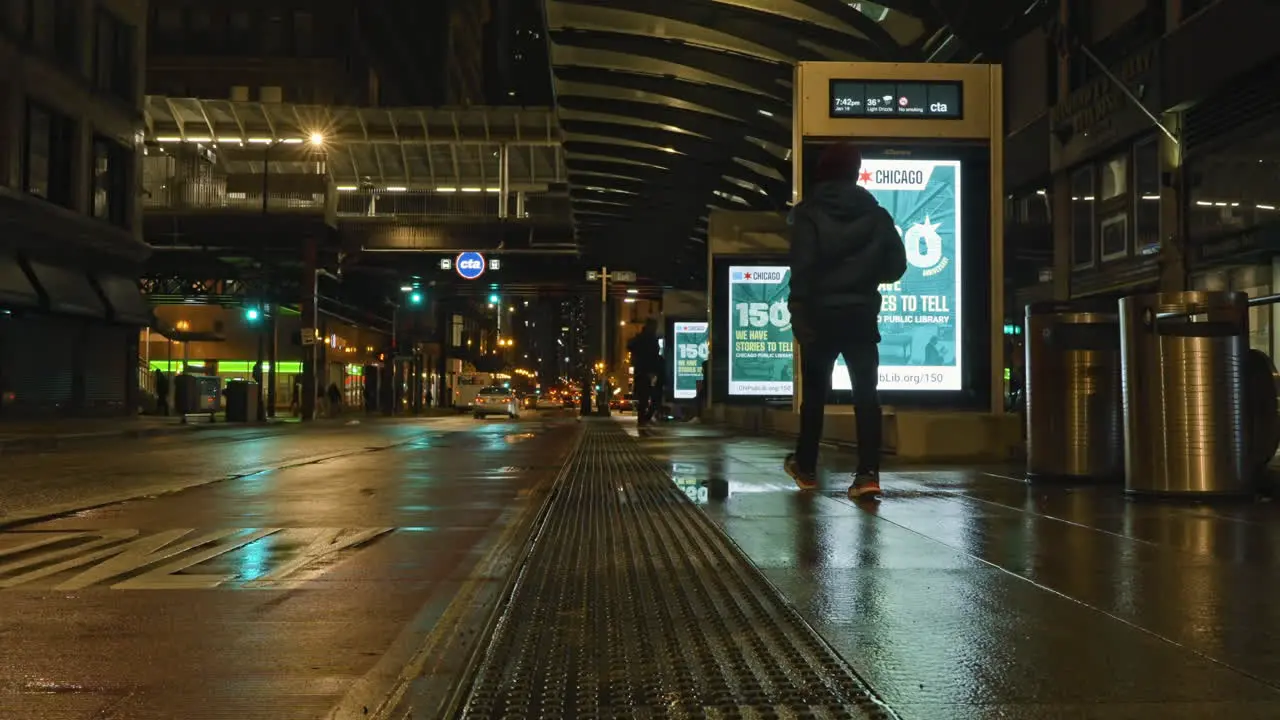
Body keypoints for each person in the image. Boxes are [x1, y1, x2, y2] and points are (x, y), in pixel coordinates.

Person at [784, 142, 906, 501]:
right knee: (866, 396)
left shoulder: (808, 214)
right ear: (855, 173)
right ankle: (867, 474)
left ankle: (806, 466)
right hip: (861, 315)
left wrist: (799, 312)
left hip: (820, 316)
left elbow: (802, 268)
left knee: (815, 395)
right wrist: (865, 277)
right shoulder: (877, 215)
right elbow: (896, 266)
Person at [627, 318, 662, 425]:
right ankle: (644, 418)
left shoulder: (644, 338)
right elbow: (654, 355)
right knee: (650, 397)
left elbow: (630, 346)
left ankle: (643, 418)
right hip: (647, 371)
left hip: (645, 371)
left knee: (646, 398)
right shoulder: (648, 339)